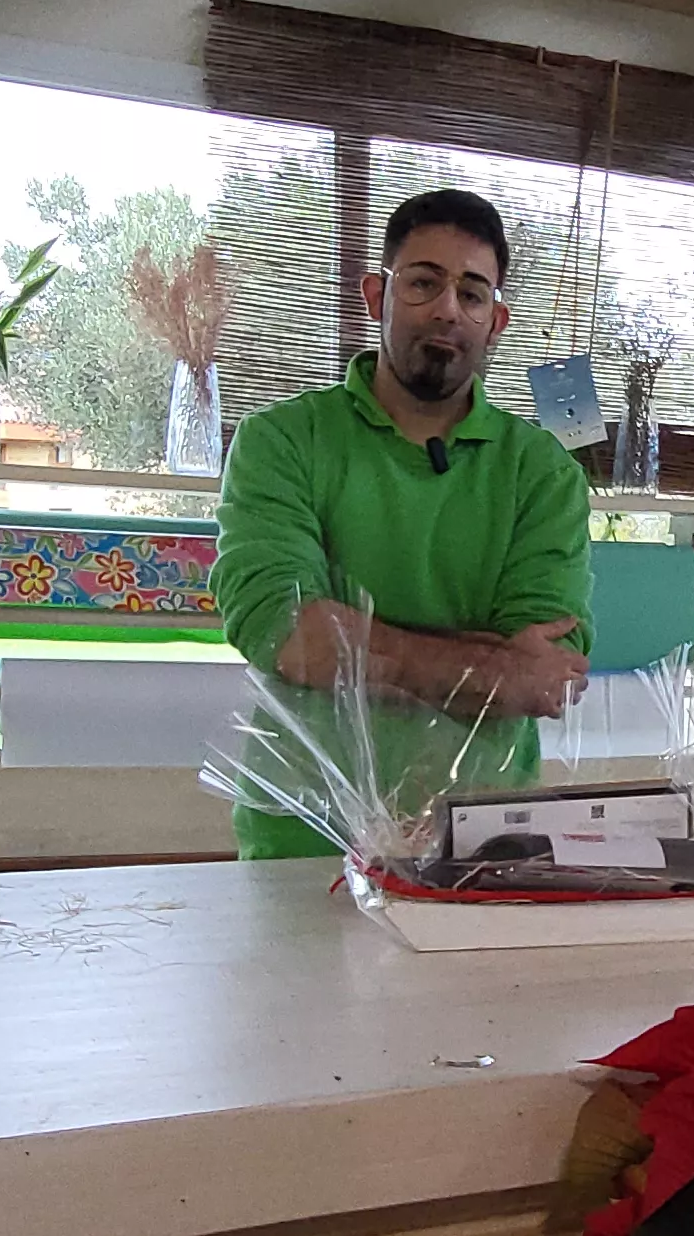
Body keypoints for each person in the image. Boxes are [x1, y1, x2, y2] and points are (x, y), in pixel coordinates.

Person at [209, 188, 592, 860]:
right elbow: (283, 628)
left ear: (495, 320)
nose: (448, 308)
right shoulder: (282, 442)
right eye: (423, 283)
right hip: (303, 835)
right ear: (375, 295)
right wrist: (484, 662)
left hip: (482, 840)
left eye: (473, 293)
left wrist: (360, 639)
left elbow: (544, 677)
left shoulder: (545, 474)